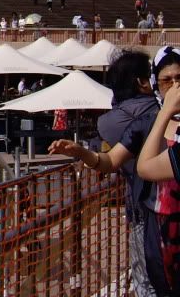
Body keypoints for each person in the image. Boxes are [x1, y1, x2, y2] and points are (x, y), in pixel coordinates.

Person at [50, 51, 162, 297]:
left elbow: (110, 160)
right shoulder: (156, 113)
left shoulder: (111, 121)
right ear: (143, 82)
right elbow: (112, 160)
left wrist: (80, 152)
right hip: (157, 206)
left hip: (144, 208)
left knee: (149, 281)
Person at [136, 46, 180, 294]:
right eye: (167, 80)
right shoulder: (148, 123)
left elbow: (145, 167)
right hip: (161, 221)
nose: (174, 87)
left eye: (179, 79)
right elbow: (112, 159)